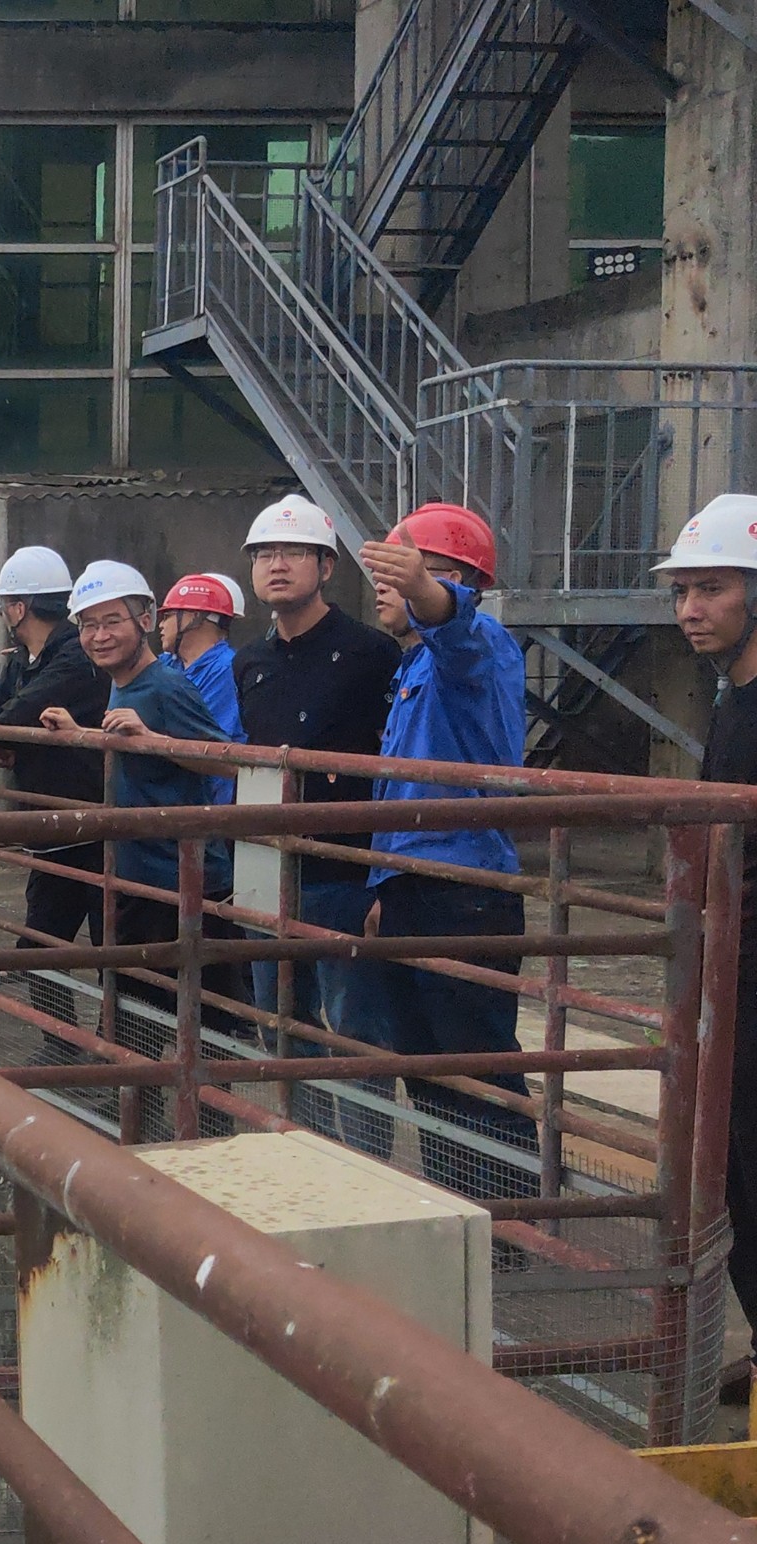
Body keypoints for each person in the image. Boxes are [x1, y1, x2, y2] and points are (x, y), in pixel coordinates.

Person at [358, 503, 538, 1202]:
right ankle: (459, 1208)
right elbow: (403, 789)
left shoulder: (480, 645)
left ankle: (509, 1227)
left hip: (464, 891)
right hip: (416, 885)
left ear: (454, 581)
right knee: (427, 1069)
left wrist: (429, 595)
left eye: (406, 572)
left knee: (478, 1070)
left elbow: (456, 629)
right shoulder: (414, 669)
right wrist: (384, 885)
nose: (384, 587)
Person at [233, 495, 402, 1155]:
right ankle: (304, 1146)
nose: (277, 565)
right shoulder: (250, 662)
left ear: (326, 566)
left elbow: (392, 763)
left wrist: (384, 872)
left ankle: (364, 1163)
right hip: (269, 864)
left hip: (342, 868)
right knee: (279, 1020)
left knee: (355, 1028)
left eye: (294, 552)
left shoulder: (369, 652)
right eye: (264, 554)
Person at [38, 561, 242, 1066]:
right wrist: (82, 734)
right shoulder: (123, 683)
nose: (99, 636)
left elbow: (229, 760)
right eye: (88, 625)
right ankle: (138, 1107)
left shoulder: (166, 685)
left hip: (181, 885)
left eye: (112, 622)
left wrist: (154, 740)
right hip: (139, 877)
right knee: (136, 1021)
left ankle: (194, 1115)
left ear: (145, 620)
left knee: (200, 1032)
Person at [651, 492, 757, 1396]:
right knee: (731, 1167)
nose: (690, 609)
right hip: (737, 964)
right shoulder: (733, 701)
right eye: (682, 591)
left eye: (712, 588)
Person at [0, 546, 107, 1023]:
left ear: (18, 608)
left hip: (95, 823)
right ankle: (64, 1044)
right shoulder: (25, 658)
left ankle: (111, 1053)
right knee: (40, 945)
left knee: (109, 952)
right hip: (52, 825)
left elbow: (16, 714)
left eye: (4, 605)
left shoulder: (74, 657)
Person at [157, 571, 247, 806]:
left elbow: (200, 738)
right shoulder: (168, 663)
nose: (161, 624)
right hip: (175, 797)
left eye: (168, 615)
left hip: (210, 804)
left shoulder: (227, 669)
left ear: (193, 617)